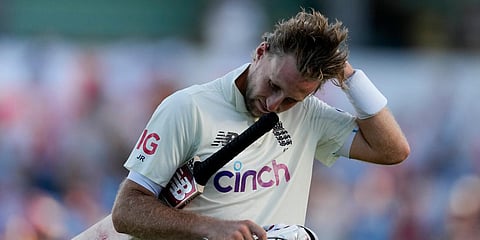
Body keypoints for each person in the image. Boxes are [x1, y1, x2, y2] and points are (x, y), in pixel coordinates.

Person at [111, 9, 410, 240]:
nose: (273, 105)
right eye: (273, 85)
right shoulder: (187, 108)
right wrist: (212, 228)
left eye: (292, 99)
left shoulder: (309, 115)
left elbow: (392, 150)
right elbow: (126, 211)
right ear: (260, 52)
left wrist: (347, 75)